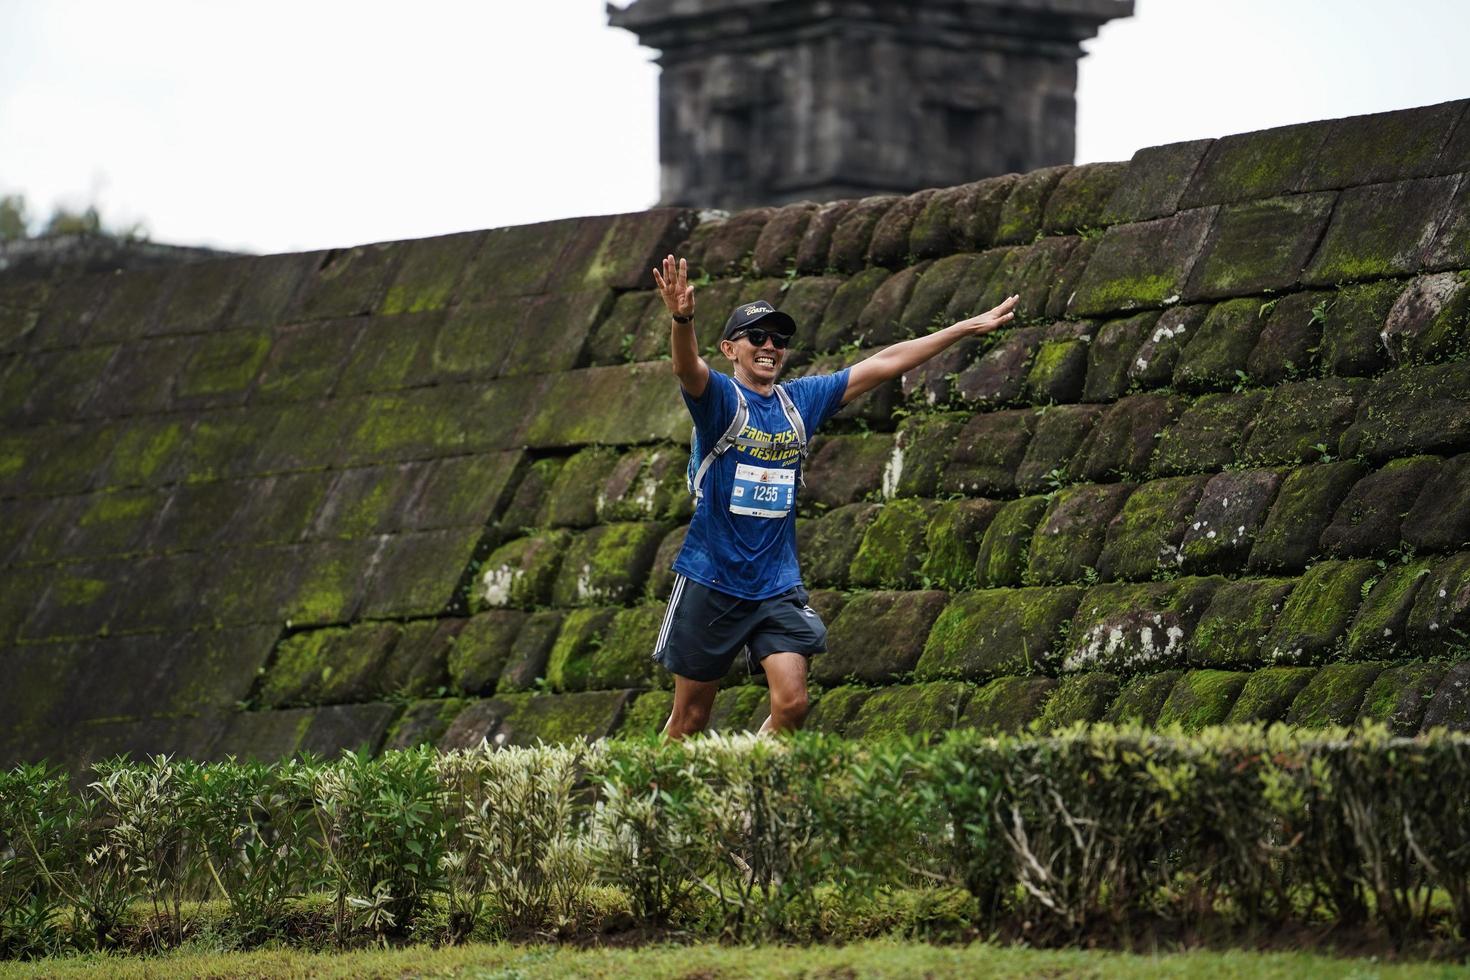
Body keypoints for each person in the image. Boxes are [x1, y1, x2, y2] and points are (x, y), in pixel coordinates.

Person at [650, 253, 1018, 739]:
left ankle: (747, 790)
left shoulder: (800, 401)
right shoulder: (720, 400)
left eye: (779, 340)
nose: (769, 346)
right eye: (756, 337)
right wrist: (682, 318)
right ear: (730, 349)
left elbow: (884, 363)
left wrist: (961, 330)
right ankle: (648, 808)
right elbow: (686, 368)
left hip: (775, 584)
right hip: (713, 578)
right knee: (690, 720)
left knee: (793, 702)